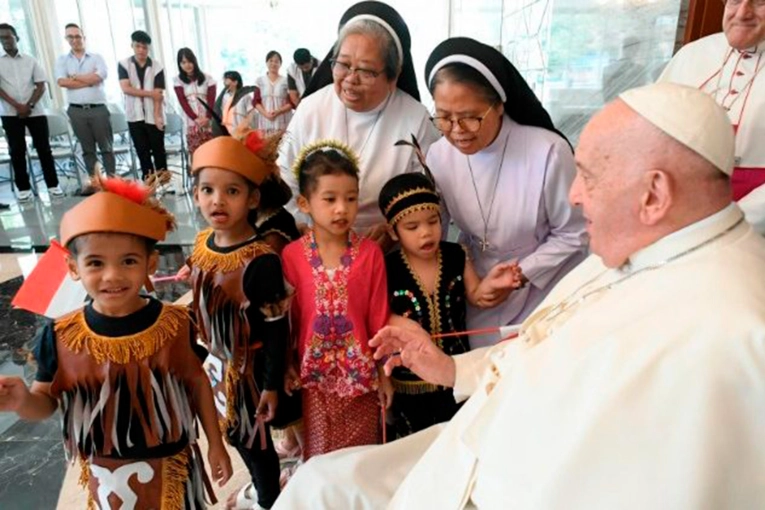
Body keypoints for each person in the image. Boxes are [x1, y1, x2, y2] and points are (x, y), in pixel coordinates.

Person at [274, 83, 765, 509]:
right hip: (480, 442)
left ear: (654, 195)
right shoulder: (632, 250)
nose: (573, 196)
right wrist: (451, 369)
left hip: (513, 484)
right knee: (316, 482)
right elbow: (541, 345)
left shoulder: (728, 330)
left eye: (589, 177)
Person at [0, 177, 232, 508]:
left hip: (172, 463)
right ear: (73, 267)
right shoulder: (60, 335)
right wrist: (22, 401)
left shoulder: (176, 324)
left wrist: (215, 443)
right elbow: (46, 403)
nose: (112, 275)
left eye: (128, 261)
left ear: (150, 264)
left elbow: (197, 383)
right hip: (104, 472)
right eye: (95, 263)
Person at [424, 37, 588, 347]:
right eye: (444, 117)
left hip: (545, 285)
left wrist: (520, 274)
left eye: (470, 117)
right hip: (479, 289)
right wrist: (472, 281)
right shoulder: (438, 156)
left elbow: (575, 233)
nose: (457, 130)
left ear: (499, 105)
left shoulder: (548, 151)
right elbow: (437, 233)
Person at [278, 1, 440, 243]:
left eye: (366, 71)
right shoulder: (311, 109)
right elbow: (284, 180)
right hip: (317, 246)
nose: (350, 79)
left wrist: (393, 231)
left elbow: (431, 195)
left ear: (393, 76)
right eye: (342, 64)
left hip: (387, 252)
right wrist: (300, 225)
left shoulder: (416, 119)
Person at [378, 172, 523, 438]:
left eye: (433, 221)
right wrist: (382, 377)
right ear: (392, 231)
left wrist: (493, 283)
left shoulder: (455, 255)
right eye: (412, 227)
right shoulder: (387, 268)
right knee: (420, 447)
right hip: (409, 385)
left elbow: (477, 295)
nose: (425, 233)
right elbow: (378, 325)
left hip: (455, 375)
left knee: (464, 437)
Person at [188, 134, 289, 510]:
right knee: (232, 432)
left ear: (253, 199)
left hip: (251, 372)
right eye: (208, 190)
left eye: (231, 191)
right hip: (216, 366)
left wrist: (272, 384)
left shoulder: (260, 261)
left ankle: (270, 499)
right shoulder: (202, 244)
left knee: (255, 441)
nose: (218, 200)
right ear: (196, 195)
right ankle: (266, 491)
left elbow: (278, 327)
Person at [281, 140, 393, 462]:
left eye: (351, 198)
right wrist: (288, 364)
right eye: (329, 199)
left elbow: (378, 317)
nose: (341, 208)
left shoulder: (370, 255)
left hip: (361, 378)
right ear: (304, 202)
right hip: (314, 379)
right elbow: (292, 318)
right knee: (319, 456)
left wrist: (384, 375)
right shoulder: (292, 256)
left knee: (361, 459)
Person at [658, 0, 765, 233]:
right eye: (735, 0)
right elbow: (651, 135)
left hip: (752, 232)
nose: (742, 13)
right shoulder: (692, 55)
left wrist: (726, 226)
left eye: (759, 2)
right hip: (673, 217)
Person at [0, 23, 62, 203]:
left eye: (8, 37)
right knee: (17, 151)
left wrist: (29, 104)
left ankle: (53, 185)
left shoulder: (30, 60)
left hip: (35, 112)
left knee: (44, 148)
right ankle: (24, 188)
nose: (5, 40)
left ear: (16, 38)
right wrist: (17, 106)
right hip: (10, 114)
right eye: (1, 38)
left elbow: (41, 84)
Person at [55, 23, 116, 182]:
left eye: (77, 36)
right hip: (77, 111)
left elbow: (99, 77)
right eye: (71, 37)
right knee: (88, 150)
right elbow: (62, 82)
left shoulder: (96, 58)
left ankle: (112, 182)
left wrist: (74, 77)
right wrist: (88, 80)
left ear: (84, 37)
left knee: (107, 148)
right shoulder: (62, 60)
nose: (75, 40)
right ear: (66, 39)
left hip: (98, 109)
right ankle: (96, 183)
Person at [118, 30, 167, 181]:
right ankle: (149, 183)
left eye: (144, 47)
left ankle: (164, 182)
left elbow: (158, 95)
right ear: (132, 46)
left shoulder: (157, 67)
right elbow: (126, 89)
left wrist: (158, 116)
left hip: (153, 114)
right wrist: (150, 94)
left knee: (159, 150)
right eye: (138, 46)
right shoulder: (124, 64)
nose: (141, 50)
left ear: (148, 48)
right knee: (142, 151)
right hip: (134, 115)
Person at [173, 47, 216, 157]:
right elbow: (183, 102)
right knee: (196, 152)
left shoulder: (208, 78)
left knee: (211, 151)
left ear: (194, 61)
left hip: (207, 119)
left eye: (190, 61)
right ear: (179, 64)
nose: (187, 65)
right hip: (191, 121)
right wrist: (195, 118)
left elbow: (211, 99)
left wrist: (207, 117)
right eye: (183, 62)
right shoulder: (178, 81)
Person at [255, 51, 293, 136]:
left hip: (283, 120)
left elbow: (292, 102)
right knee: (266, 146)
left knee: (283, 145)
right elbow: (256, 101)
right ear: (266, 63)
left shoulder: (286, 81)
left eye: (276, 61)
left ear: (280, 64)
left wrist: (278, 111)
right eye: (271, 61)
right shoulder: (260, 81)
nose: (273, 63)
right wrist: (266, 114)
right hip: (265, 121)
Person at [602, 35, 648, 102]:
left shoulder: (640, 70)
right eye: (631, 49)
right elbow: (606, 95)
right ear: (624, 49)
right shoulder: (639, 70)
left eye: (635, 49)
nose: (634, 52)